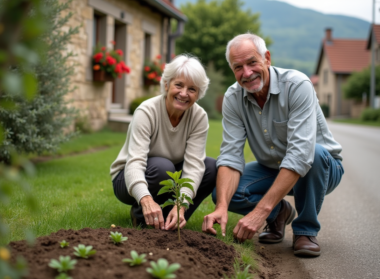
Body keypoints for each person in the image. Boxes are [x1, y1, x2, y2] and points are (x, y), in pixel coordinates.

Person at [202, 33, 344, 257]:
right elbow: (230, 155)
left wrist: (259, 211)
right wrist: (221, 207)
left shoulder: (297, 85)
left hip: (322, 168)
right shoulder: (232, 98)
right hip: (273, 167)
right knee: (227, 193)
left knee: (314, 153)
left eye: (252, 62)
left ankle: (305, 230)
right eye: (238, 67)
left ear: (266, 58)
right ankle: (279, 213)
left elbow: (300, 156)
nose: (246, 73)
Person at [111, 54, 216, 231]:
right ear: (167, 85)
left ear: (198, 94)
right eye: (179, 85)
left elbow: (194, 167)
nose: (184, 94)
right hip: (128, 177)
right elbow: (135, 162)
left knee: (210, 167)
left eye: (192, 89)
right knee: (162, 167)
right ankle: (141, 215)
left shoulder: (199, 117)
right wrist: (145, 198)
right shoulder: (147, 111)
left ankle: (171, 218)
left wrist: (181, 205)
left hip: (168, 173)